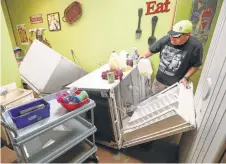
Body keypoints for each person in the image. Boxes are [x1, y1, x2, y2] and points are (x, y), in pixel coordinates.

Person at [144, 20, 203, 94]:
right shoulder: (166, 39)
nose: (172, 38)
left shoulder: (196, 46)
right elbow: (149, 52)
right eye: (171, 34)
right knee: (154, 101)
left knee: (170, 105)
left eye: (176, 36)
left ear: (187, 35)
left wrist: (186, 78)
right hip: (159, 82)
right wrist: (141, 59)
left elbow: (196, 65)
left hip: (176, 85)